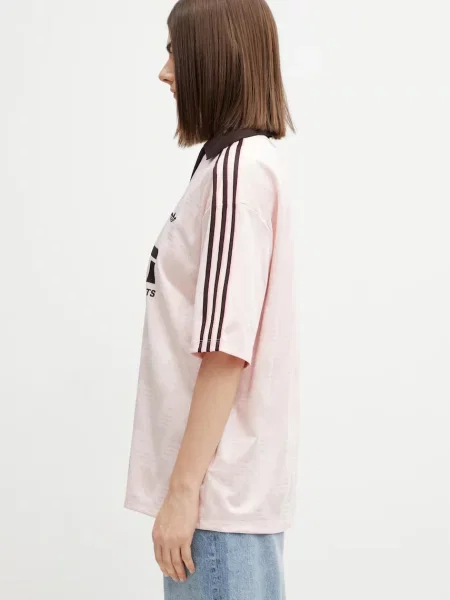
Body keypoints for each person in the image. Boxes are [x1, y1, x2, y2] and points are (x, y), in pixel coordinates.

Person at [124, 0, 299, 598]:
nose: (165, 71)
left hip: (214, 501)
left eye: (176, 52)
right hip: (222, 499)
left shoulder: (236, 172)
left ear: (214, 57)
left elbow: (226, 349)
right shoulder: (234, 165)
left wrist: (181, 494)